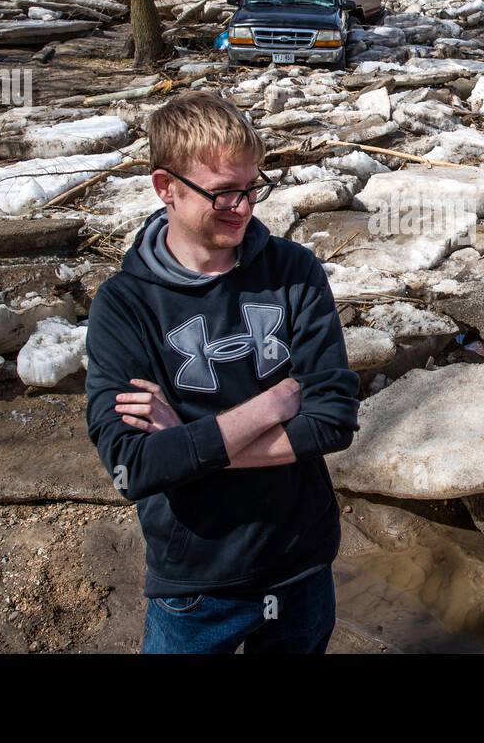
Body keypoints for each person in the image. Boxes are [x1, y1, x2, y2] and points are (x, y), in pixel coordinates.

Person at [85, 90, 359, 654]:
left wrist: (190, 448)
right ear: (166, 187)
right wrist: (268, 406)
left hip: (301, 562)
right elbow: (132, 467)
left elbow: (332, 421)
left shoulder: (293, 271)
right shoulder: (124, 306)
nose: (243, 207)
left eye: (251, 188)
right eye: (224, 193)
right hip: (197, 581)